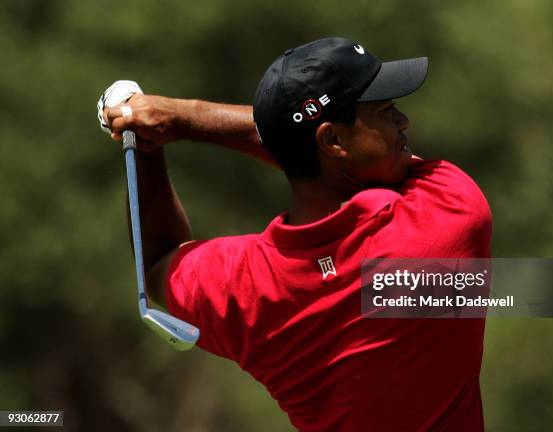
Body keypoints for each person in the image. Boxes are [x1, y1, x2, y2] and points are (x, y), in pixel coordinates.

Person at [101, 37, 492, 431]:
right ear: (334, 140)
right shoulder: (449, 216)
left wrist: (146, 143)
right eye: (386, 110)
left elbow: (158, 262)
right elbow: (349, 157)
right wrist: (187, 118)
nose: (402, 121)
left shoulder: (245, 287)